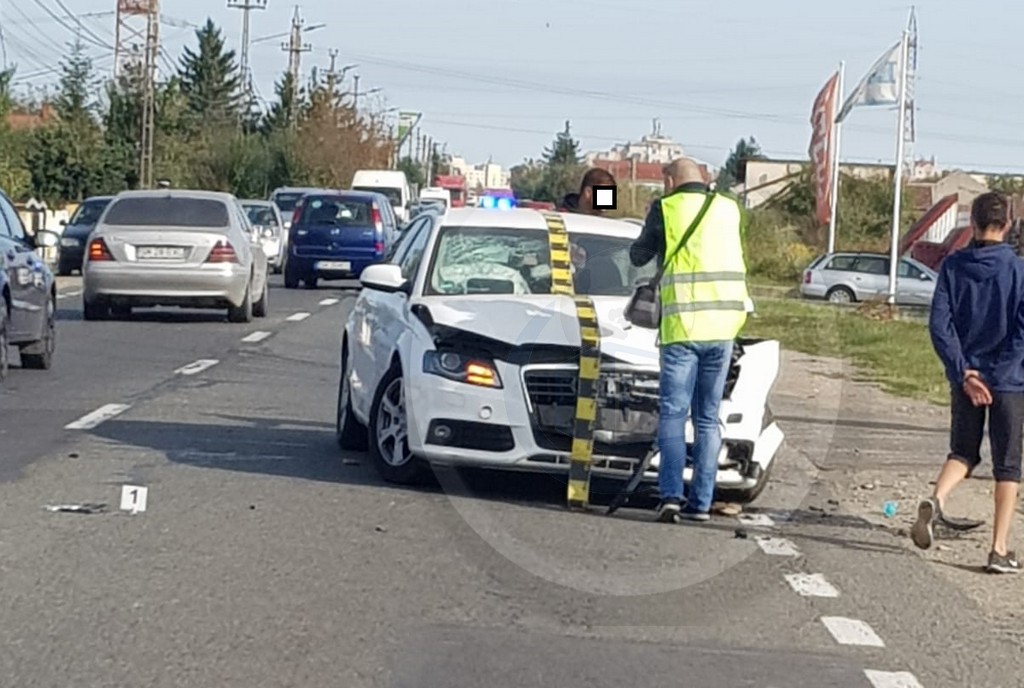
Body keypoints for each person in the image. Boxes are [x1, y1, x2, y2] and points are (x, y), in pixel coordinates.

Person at [630, 158, 750, 523]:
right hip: (725, 326)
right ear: (705, 177)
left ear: (669, 181)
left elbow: (639, 257)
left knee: (672, 413)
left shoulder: (666, 208)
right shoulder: (729, 208)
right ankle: (701, 504)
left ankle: (670, 497)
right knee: (708, 418)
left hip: (683, 326)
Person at [914, 191, 1024, 574]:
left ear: (972, 225)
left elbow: (939, 325)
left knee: (963, 451)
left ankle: (937, 499)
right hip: (1009, 381)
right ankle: (998, 549)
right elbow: (1022, 332)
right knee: (1008, 465)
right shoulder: (1018, 269)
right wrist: (995, 376)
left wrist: (963, 371)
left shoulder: (953, 266)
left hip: (967, 378)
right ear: (1007, 225)